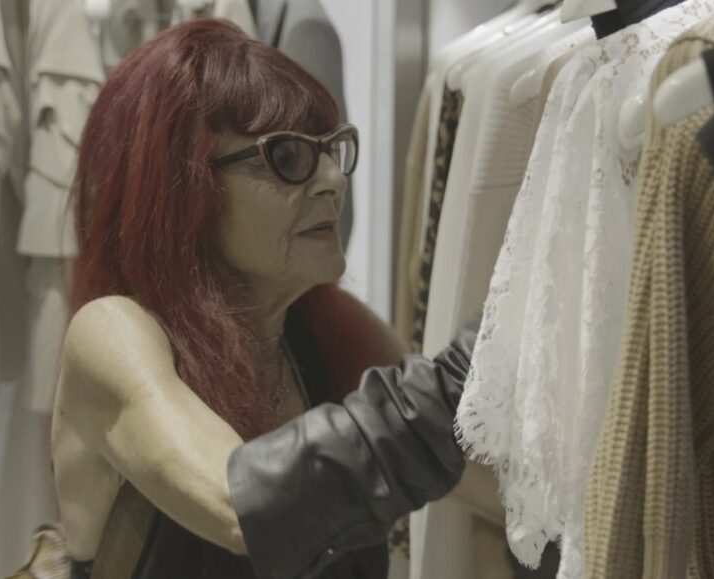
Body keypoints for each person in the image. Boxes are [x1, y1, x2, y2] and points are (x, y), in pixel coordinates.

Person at [53, 19, 479, 579]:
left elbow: (487, 479)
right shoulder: (112, 332)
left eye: (331, 150)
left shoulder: (329, 332)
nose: (334, 180)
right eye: (288, 156)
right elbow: (234, 503)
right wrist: (469, 368)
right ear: (182, 188)